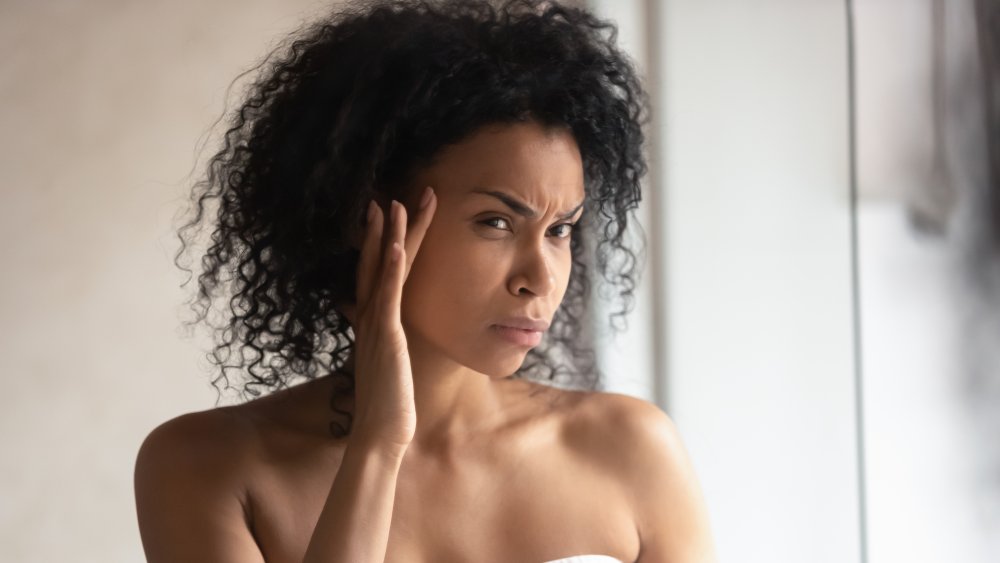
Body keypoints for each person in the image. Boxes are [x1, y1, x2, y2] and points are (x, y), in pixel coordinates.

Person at [133, 0, 716, 561]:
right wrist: (378, 444)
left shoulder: (630, 449)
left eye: (560, 230)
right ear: (370, 219)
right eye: (495, 222)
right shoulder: (206, 467)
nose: (540, 277)